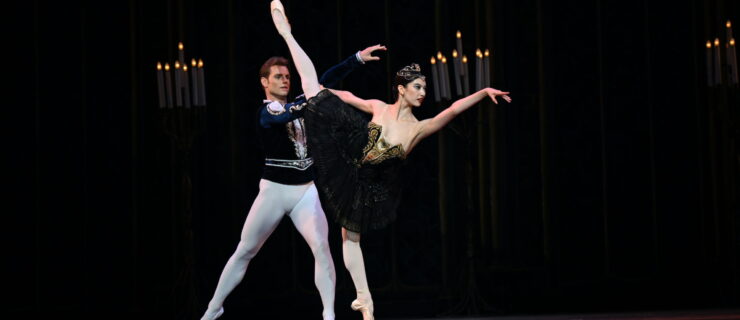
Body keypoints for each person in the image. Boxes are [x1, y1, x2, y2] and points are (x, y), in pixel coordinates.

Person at [269, 1, 512, 319]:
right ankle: (288, 34)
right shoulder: (379, 107)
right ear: (402, 89)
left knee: (349, 235)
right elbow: (348, 97)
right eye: (417, 87)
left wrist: (482, 92)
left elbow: (451, 110)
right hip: (350, 153)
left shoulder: (419, 128)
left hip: (370, 183)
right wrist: (319, 94)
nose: (423, 92)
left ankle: (364, 299)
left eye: (424, 87)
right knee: (314, 86)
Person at [200, 44, 387, 320]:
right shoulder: (267, 112)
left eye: (287, 76)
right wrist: (312, 99)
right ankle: (213, 309)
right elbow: (288, 114)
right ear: (264, 82)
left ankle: (328, 314)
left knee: (322, 248)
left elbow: (326, 79)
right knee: (245, 250)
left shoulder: (297, 102)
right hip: (274, 192)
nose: (285, 80)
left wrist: (356, 59)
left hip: (305, 191)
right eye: (278, 76)